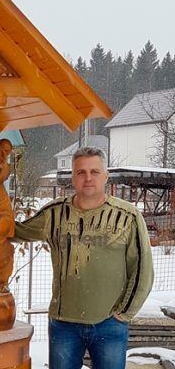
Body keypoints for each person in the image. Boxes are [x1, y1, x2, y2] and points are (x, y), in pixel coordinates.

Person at [14, 147, 154, 369]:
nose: (88, 178)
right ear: (73, 177)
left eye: (95, 172)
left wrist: (123, 313)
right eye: (81, 172)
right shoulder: (54, 214)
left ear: (105, 176)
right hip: (64, 325)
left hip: (109, 323)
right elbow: (15, 231)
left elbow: (143, 270)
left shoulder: (127, 216)